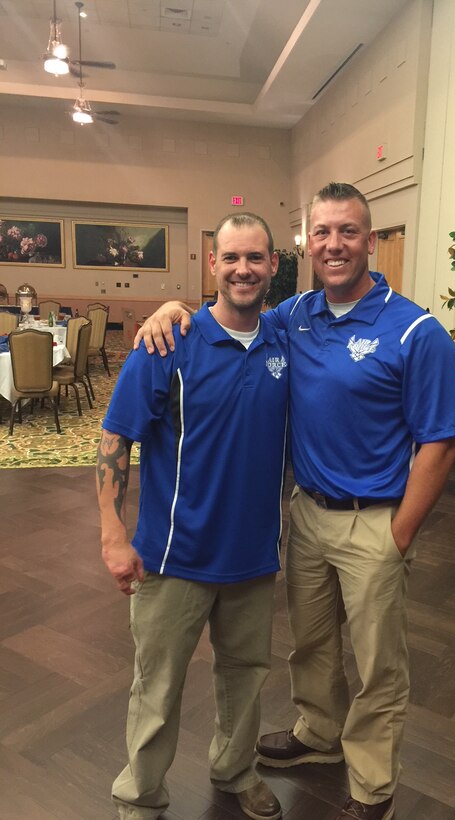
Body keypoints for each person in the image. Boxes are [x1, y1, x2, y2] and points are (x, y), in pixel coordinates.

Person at [136, 183, 455, 820]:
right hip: (306, 516)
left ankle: (372, 785)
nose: (334, 245)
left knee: (377, 665)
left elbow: (442, 441)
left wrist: (399, 534)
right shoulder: (294, 317)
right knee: (311, 644)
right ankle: (318, 734)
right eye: (323, 233)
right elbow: (230, 313)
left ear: (370, 241)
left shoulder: (416, 330)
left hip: (375, 521)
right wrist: (170, 308)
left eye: (348, 232)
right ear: (306, 245)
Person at [97, 212, 288, 820]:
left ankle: (236, 772)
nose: (242, 269)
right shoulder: (168, 342)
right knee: (157, 688)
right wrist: (112, 535)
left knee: (245, 676)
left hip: (253, 554)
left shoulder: (286, 339)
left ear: (273, 266)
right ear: (213, 264)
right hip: (173, 556)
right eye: (231, 258)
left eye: (255, 258)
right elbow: (114, 438)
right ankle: (142, 797)